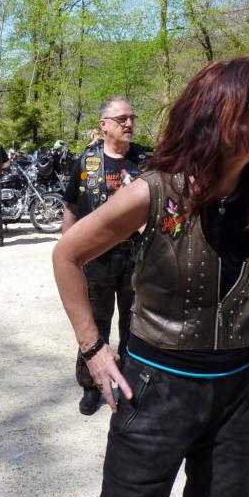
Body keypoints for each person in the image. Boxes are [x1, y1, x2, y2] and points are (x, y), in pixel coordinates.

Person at [53, 57, 249, 497]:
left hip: (239, 395)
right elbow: (67, 254)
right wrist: (94, 350)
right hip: (154, 391)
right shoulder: (153, 191)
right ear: (222, 112)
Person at [61, 97, 152, 416]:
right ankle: (92, 385)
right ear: (104, 125)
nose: (129, 123)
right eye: (121, 118)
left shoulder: (147, 160)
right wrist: (67, 250)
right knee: (94, 322)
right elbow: (71, 207)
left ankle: (129, 384)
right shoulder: (86, 161)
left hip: (137, 257)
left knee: (135, 324)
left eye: (132, 117)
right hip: (96, 258)